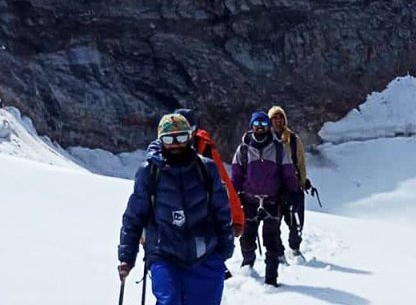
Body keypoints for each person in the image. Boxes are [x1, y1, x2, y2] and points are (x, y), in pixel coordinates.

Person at [118, 113, 235, 305]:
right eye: (168, 138)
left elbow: (221, 211)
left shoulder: (207, 169)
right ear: (160, 139)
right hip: (164, 254)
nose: (175, 143)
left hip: (205, 254)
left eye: (181, 137)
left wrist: (224, 249)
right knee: (170, 301)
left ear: (189, 137)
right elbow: (134, 216)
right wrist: (126, 257)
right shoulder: (149, 171)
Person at [230, 111, 299, 287]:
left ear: (268, 126)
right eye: (256, 125)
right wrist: (233, 198)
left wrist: (290, 193)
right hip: (249, 200)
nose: (260, 128)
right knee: (247, 236)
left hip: (272, 200)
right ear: (251, 127)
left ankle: (271, 278)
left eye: (263, 124)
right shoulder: (244, 149)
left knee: (271, 238)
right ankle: (248, 266)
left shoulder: (277, 148)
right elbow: (236, 175)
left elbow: (288, 172)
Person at [173, 108, 245, 239]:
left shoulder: (206, 150)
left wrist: (236, 218)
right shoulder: (159, 155)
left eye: (188, 130)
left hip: (201, 218)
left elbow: (224, 183)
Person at [268, 105, 309, 256]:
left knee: (294, 217)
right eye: (274, 118)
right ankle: (279, 251)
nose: (278, 121)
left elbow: (300, 161)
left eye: (280, 117)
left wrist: (302, 181)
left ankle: (295, 247)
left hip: (292, 184)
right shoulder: (265, 139)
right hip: (273, 186)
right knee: (274, 220)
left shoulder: (293, 139)